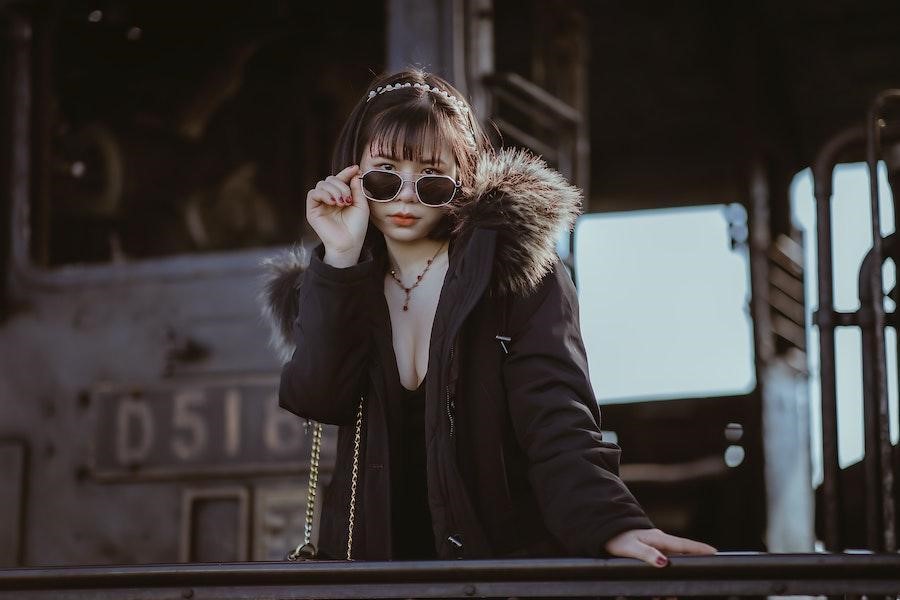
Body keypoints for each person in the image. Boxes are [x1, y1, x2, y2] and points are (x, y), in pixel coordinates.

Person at [261, 68, 716, 567]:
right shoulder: (337, 284)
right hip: (370, 572)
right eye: (385, 175)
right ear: (352, 172)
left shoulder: (517, 277)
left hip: (498, 571)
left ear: (464, 180)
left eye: (433, 179)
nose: (407, 194)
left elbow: (556, 419)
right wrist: (341, 255)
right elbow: (317, 397)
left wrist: (612, 524)